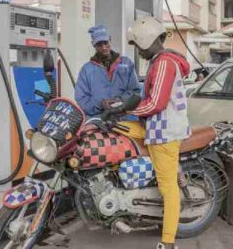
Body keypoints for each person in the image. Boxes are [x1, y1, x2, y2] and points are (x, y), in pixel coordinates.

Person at [121, 17, 190, 249]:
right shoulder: (160, 61)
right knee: (114, 130)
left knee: (167, 187)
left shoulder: (164, 64)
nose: (138, 52)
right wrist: (118, 110)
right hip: (155, 126)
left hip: (164, 131)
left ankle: (168, 242)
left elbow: (156, 104)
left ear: (148, 40)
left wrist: (125, 108)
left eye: (139, 46)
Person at [75, 25, 141, 118]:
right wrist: (100, 104)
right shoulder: (87, 70)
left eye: (105, 43)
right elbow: (81, 99)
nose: (104, 47)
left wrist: (120, 100)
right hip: (98, 120)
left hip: (123, 118)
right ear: (93, 44)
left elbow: (135, 90)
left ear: (110, 39)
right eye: (99, 44)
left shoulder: (126, 64)